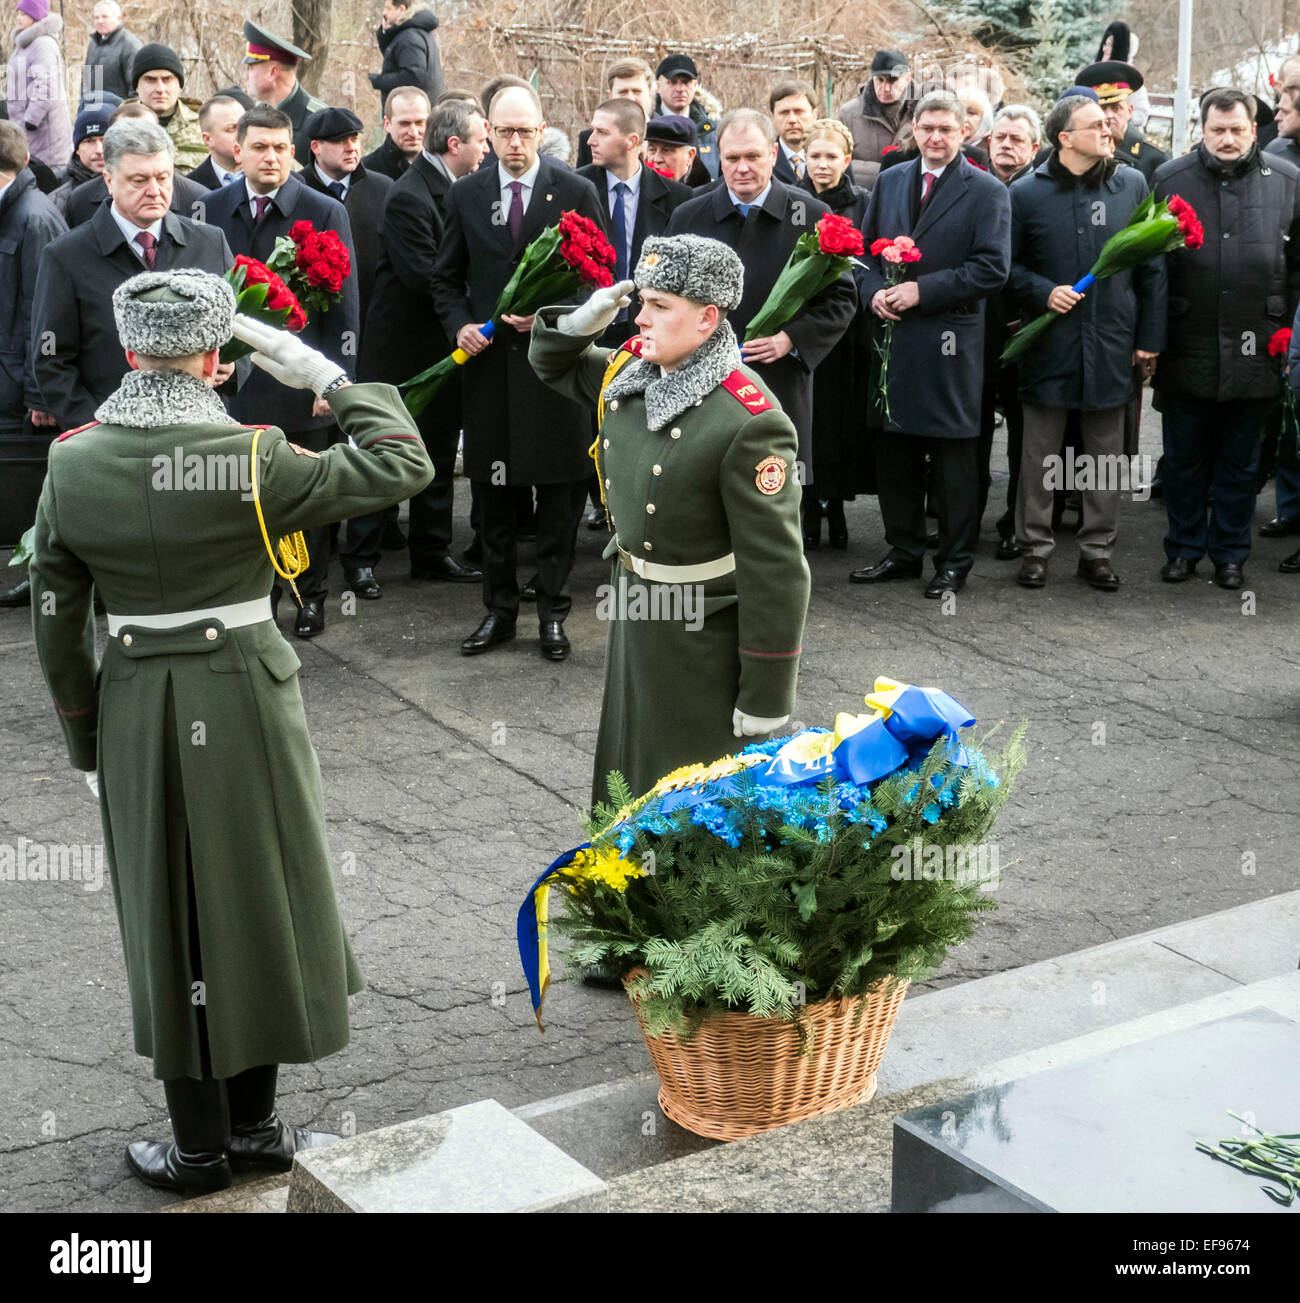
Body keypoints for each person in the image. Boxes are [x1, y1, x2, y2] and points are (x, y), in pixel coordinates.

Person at [28, 268, 434, 1195]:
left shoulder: (73, 459)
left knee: (168, 915)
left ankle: (201, 1146)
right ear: (217, 359)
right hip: (245, 695)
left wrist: (85, 737)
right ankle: (251, 1128)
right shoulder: (252, 453)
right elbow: (403, 463)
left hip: (133, 700)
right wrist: (325, 377)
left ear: (130, 352)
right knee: (257, 901)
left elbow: (57, 616)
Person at [528, 235, 810, 806]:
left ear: (708, 318)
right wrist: (583, 320)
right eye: (642, 302)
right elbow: (549, 363)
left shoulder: (748, 420)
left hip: (700, 632)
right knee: (627, 775)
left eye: (660, 306)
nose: (640, 318)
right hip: (635, 606)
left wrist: (766, 693)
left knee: (691, 801)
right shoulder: (631, 374)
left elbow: (776, 569)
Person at [431, 84, 607, 661]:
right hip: (490, 375)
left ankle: (553, 613)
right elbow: (446, 278)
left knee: (559, 499)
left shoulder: (576, 190)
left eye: (523, 132)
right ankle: (498, 611)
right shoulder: (466, 193)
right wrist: (458, 324)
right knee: (495, 503)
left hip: (555, 373)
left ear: (541, 129)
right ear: (487, 131)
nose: (513, 142)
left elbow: (599, 279)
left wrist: (551, 318)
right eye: (502, 132)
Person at [201, 107, 358, 640]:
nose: (271, 157)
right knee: (244, 494)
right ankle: (256, 593)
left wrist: (333, 383)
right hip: (232, 384)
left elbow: (344, 308)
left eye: (280, 148)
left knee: (305, 495)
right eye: (260, 147)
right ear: (237, 151)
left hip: (301, 383)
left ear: (294, 151)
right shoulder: (209, 209)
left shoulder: (323, 210)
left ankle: (309, 595)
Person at [851, 92, 1011, 598]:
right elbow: (862, 253)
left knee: (953, 460)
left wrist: (924, 290)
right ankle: (903, 550)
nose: (935, 137)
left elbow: (992, 268)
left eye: (946, 129)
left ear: (964, 131)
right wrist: (873, 292)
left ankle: (954, 562)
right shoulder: (892, 179)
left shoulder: (986, 191)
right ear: (914, 129)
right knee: (894, 451)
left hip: (949, 345)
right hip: (892, 342)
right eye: (927, 128)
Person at [1008, 93, 1166, 591]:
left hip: (1113, 342)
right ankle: (1034, 549)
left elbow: (1152, 268)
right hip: (1049, 343)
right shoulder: (1024, 194)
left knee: (1105, 457)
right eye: (1095, 124)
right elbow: (1003, 268)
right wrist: (1041, 292)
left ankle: (1097, 551)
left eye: (1108, 122)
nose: (1108, 130)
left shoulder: (1132, 183)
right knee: (1039, 455)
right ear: (1064, 138)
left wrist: (1149, 340)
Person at [1150, 88, 1300, 590]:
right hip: (1186, 341)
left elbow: (1296, 268)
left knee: (1240, 461)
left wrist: (1287, 337)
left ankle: (1231, 553)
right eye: (1219, 130)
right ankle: (1184, 548)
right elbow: (1154, 270)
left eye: (1238, 129)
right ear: (1202, 129)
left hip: (1258, 344)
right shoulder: (1170, 180)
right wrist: (1151, 340)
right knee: (1185, 458)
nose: (1229, 139)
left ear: (1255, 129)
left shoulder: (1288, 182)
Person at [667, 107, 857, 489]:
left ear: (773, 154)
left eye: (753, 156)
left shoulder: (810, 214)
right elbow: (661, 297)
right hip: (700, 385)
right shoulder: (689, 214)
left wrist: (792, 340)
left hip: (778, 381)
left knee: (774, 495)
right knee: (702, 491)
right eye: (732, 158)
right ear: (717, 157)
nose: (742, 168)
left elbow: (841, 300)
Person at [350, 99, 489, 595]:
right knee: (383, 452)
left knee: (435, 449)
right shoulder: (412, 196)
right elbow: (424, 277)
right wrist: (483, 302)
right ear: (455, 145)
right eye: (481, 140)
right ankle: (360, 559)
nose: (486, 149)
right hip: (402, 353)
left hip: (444, 346)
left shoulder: (462, 189)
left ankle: (430, 552)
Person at [32, 118, 235, 431]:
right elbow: (51, 359)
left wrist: (234, 365)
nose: (154, 191)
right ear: (109, 181)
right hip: (108, 441)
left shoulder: (209, 243)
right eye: (139, 180)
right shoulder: (66, 256)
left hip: (197, 437)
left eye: (163, 178)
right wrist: (95, 430)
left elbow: (243, 330)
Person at [577, 96, 691, 526]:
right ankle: (601, 503)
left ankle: (642, 509)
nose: (591, 139)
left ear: (632, 140)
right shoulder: (575, 187)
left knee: (647, 420)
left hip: (650, 331)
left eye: (602, 132)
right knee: (593, 420)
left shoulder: (677, 198)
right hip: (594, 328)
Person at [798, 118, 869, 550]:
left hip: (847, 329)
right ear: (803, 159)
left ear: (847, 159)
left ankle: (836, 504)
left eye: (831, 157)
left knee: (838, 420)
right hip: (805, 325)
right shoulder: (793, 200)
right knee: (808, 418)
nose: (822, 165)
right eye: (814, 156)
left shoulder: (862, 201)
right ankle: (807, 506)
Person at [981, 104, 1042, 562]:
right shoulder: (974, 187)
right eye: (1000, 137)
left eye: (1017, 139)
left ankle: (1015, 526)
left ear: (1035, 147)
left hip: (1027, 333)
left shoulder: (1040, 193)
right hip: (973, 335)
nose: (1006, 145)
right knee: (972, 431)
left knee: (1026, 437)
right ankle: (959, 520)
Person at [0, 119, 65, 435]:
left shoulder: (34, 219)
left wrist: (41, 393)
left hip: (19, 400)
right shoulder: (14, 210)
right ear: (26, 160)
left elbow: (45, 313)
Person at [301, 106, 393, 324]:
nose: (351, 148)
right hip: (313, 319)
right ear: (316, 147)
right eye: (340, 141)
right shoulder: (297, 189)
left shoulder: (383, 188)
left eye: (354, 139)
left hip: (373, 316)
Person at [63, 102, 208, 229]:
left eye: (148, 133)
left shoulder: (198, 199)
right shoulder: (80, 201)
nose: (139, 143)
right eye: (125, 136)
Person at [238, 20, 327, 165]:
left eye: (250, 68)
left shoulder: (321, 121)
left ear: (273, 72)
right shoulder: (253, 115)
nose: (245, 76)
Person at [1075, 60, 1167, 183]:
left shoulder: (1154, 157)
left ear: (1129, 111)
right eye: (1101, 108)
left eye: (1116, 108)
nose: (1109, 115)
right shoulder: (1077, 150)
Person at [7, 0, 73, 170]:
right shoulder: (25, 42)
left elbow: (46, 86)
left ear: (35, 17)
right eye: (18, 13)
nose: (18, 18)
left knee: (48, 181)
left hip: (43, 131)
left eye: (24, 14)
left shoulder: (42, 44)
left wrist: (31, 119)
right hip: (27, 129)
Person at [126, 43, 207, 174]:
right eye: (150, 80)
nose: (160, 89)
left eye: (167, 79)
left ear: (179, 84)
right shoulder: (120, 125)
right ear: (137, 86)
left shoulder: (202, 125)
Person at [839, 49, 913, 186]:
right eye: (880, 80)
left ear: (907, 78)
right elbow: (839, 164)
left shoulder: (923, 113)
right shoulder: (848, 114)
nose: (885, 88)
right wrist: (885, 171)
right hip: (866, 200)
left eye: (892, 80)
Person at [575, 58, 655, 169]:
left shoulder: (666, 134)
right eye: (623, 92)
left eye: (637, 91)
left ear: (651, 94)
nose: (630, 98)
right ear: (611, 96)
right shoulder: (590, 139)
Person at [653, 54, 720, 182]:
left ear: (695, 86)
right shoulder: (646, 127)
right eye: (672, 82)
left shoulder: (713, 129)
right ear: (658, 87)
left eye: (686, 82)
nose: (680, 89)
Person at [371, 1, 444, 105]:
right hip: (416, 108)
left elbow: (412, 78)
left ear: (401, 9)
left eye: (388, 8)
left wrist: (376, 81)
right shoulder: (410, 31)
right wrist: (384, 33)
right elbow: (394, 60)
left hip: (414, 111)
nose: (384, 13)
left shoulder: (410, 37)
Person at [49, 106, 112, 215]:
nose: (99, 150)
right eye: (89, 141)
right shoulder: (58, 200)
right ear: (77, 149)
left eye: (105, 140)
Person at [360, 85, 430, 180]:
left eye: (419, 123)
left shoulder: (445, 166)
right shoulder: (365, 171)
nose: (413, 133)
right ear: (387, 124)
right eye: (404, 124)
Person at [82, 0, 141, 104]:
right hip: (93, 111)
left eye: (105, 17)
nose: (100, 21)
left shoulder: (129, 44)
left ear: (118, 19)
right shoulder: (94, 44)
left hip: (118, 113)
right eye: (96, 17)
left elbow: (136, 88)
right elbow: (86, 81)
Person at [188, 95, 245, 189]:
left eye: (244, 125)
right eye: (231, 128)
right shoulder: (191, 187)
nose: (242, 133)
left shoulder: (269, 175)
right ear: (208, 139)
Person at [770, 80, 817, 185]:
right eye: (784, 112)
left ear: (814, 115)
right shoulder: (763, 160)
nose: (792, 120)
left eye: (798, 111)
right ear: (773, 118)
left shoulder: (834, 158)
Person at [643, 113, 700, 186]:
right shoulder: (637, 190)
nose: (657, 159)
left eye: (666, 150)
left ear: (690, 155)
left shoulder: (707, 194)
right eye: (652, 150)